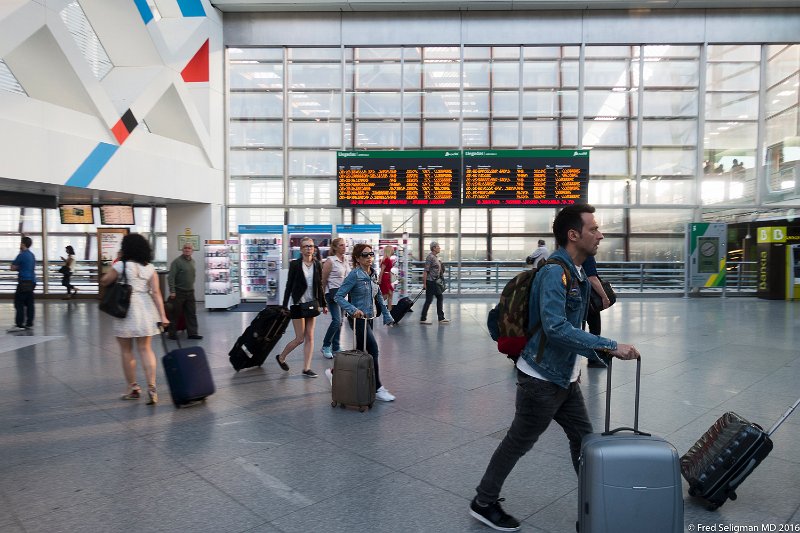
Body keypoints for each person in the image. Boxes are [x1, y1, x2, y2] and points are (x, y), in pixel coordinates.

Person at [469, 204, 641, 532]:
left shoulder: (577, 273)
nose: (600, 234)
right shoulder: (554, 272)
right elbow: (555, 328)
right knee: (519, 441)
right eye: (594, 229)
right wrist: (608, 345)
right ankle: (483, 501)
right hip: (540, 379)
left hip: (564, 377)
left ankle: (595, 507)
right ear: (573, 235)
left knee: (584, 440)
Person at [100, 233, 170, 405]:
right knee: (146, 349)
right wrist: (163, 315)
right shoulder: (150, 268)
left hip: (126, 309)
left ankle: (133, 388)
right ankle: (152, 387)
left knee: (126, 350)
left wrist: (115, 263)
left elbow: (105, 281)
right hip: (146, 309)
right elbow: (156, 292)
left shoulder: (122, 265)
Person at [333, 243, 396, 402]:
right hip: (358, 320)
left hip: (370, 318)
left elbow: (379, 297)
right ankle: (377, 388)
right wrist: (352, 309)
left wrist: (387, 315)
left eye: (371, 254)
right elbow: (338, 296)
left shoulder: (373, 274)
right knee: (373, 350)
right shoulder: (354, 275)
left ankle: (335, 373)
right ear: (357, 258)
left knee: (361, 352)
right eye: (365, 255)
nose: (369, 257)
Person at [277, 237, 328, 377]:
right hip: (298, 303)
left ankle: (306, 368)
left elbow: (319, 285)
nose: (308, 248)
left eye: (311, 246)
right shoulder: (295, 265)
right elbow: (288, 285)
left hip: (312, 304)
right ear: (301, 249)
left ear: (314, 248)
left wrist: (323, 304)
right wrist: (284, 305)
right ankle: (281, 357)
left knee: (310, 337)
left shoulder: (318, 264)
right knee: (300, 338)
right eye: (305, 246)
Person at [320, 237, 351, 359]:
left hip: (343, 294)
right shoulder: (330, 261)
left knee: (341, 322)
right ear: (335, 247)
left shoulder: (346, 260)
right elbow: (323, 281)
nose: (344, 247)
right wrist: (322, 300)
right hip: (332, 294)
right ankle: (326, 346)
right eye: (342, 245)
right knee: (337, 320)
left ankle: (336, 347)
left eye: (345, 245)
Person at [167, 243, 202, 340]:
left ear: (192, 251)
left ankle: (192, 333)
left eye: (189, 248)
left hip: (190, 292)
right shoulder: (177, 262)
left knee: (191, 313)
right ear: (182, 250)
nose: (187, 250)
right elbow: (171, 277)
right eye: (185, 248)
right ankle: (172, 334)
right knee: (175, 314)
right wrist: (172, 291)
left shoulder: (193, 262)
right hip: (178, 292)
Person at [584, 255, 612, 368]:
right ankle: (593, 359)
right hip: (589, 300)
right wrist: (605, 297)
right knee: (595, 328)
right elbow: (592, 278)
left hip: (576, 297)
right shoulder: (587, 255)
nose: (600, 237)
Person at [9, 236, 36, 332]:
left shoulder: (21, 255)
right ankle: (29, 323)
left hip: (23, 282)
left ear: (23, 244)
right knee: (29, 303)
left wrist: (18, 268)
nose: (19, 244)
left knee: (19, 303)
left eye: (21, 243)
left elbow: (12, 267)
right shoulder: (32, 255)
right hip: (32, 282)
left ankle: (19, 324)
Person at [420, 241, 449, 325]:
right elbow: (425, 271)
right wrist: (424, 284)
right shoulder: (430, 257)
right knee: (429, 300)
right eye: (438, 247)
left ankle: (441, 318)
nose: (439, 248)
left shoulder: (435, 257)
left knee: (439, 297)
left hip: (435, 282)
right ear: (434, 248)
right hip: (430, 282)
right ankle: (423, 318)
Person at [379, 244, 396, 311]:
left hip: (387, 277)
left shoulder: (387, 259)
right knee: (385, 295)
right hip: (385, 278)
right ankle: (376, 304)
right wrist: (380, 279)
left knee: (390, 293)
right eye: (392, 250)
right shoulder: (386, 260)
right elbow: (382, 270)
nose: (393, 251)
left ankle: (389, 310)